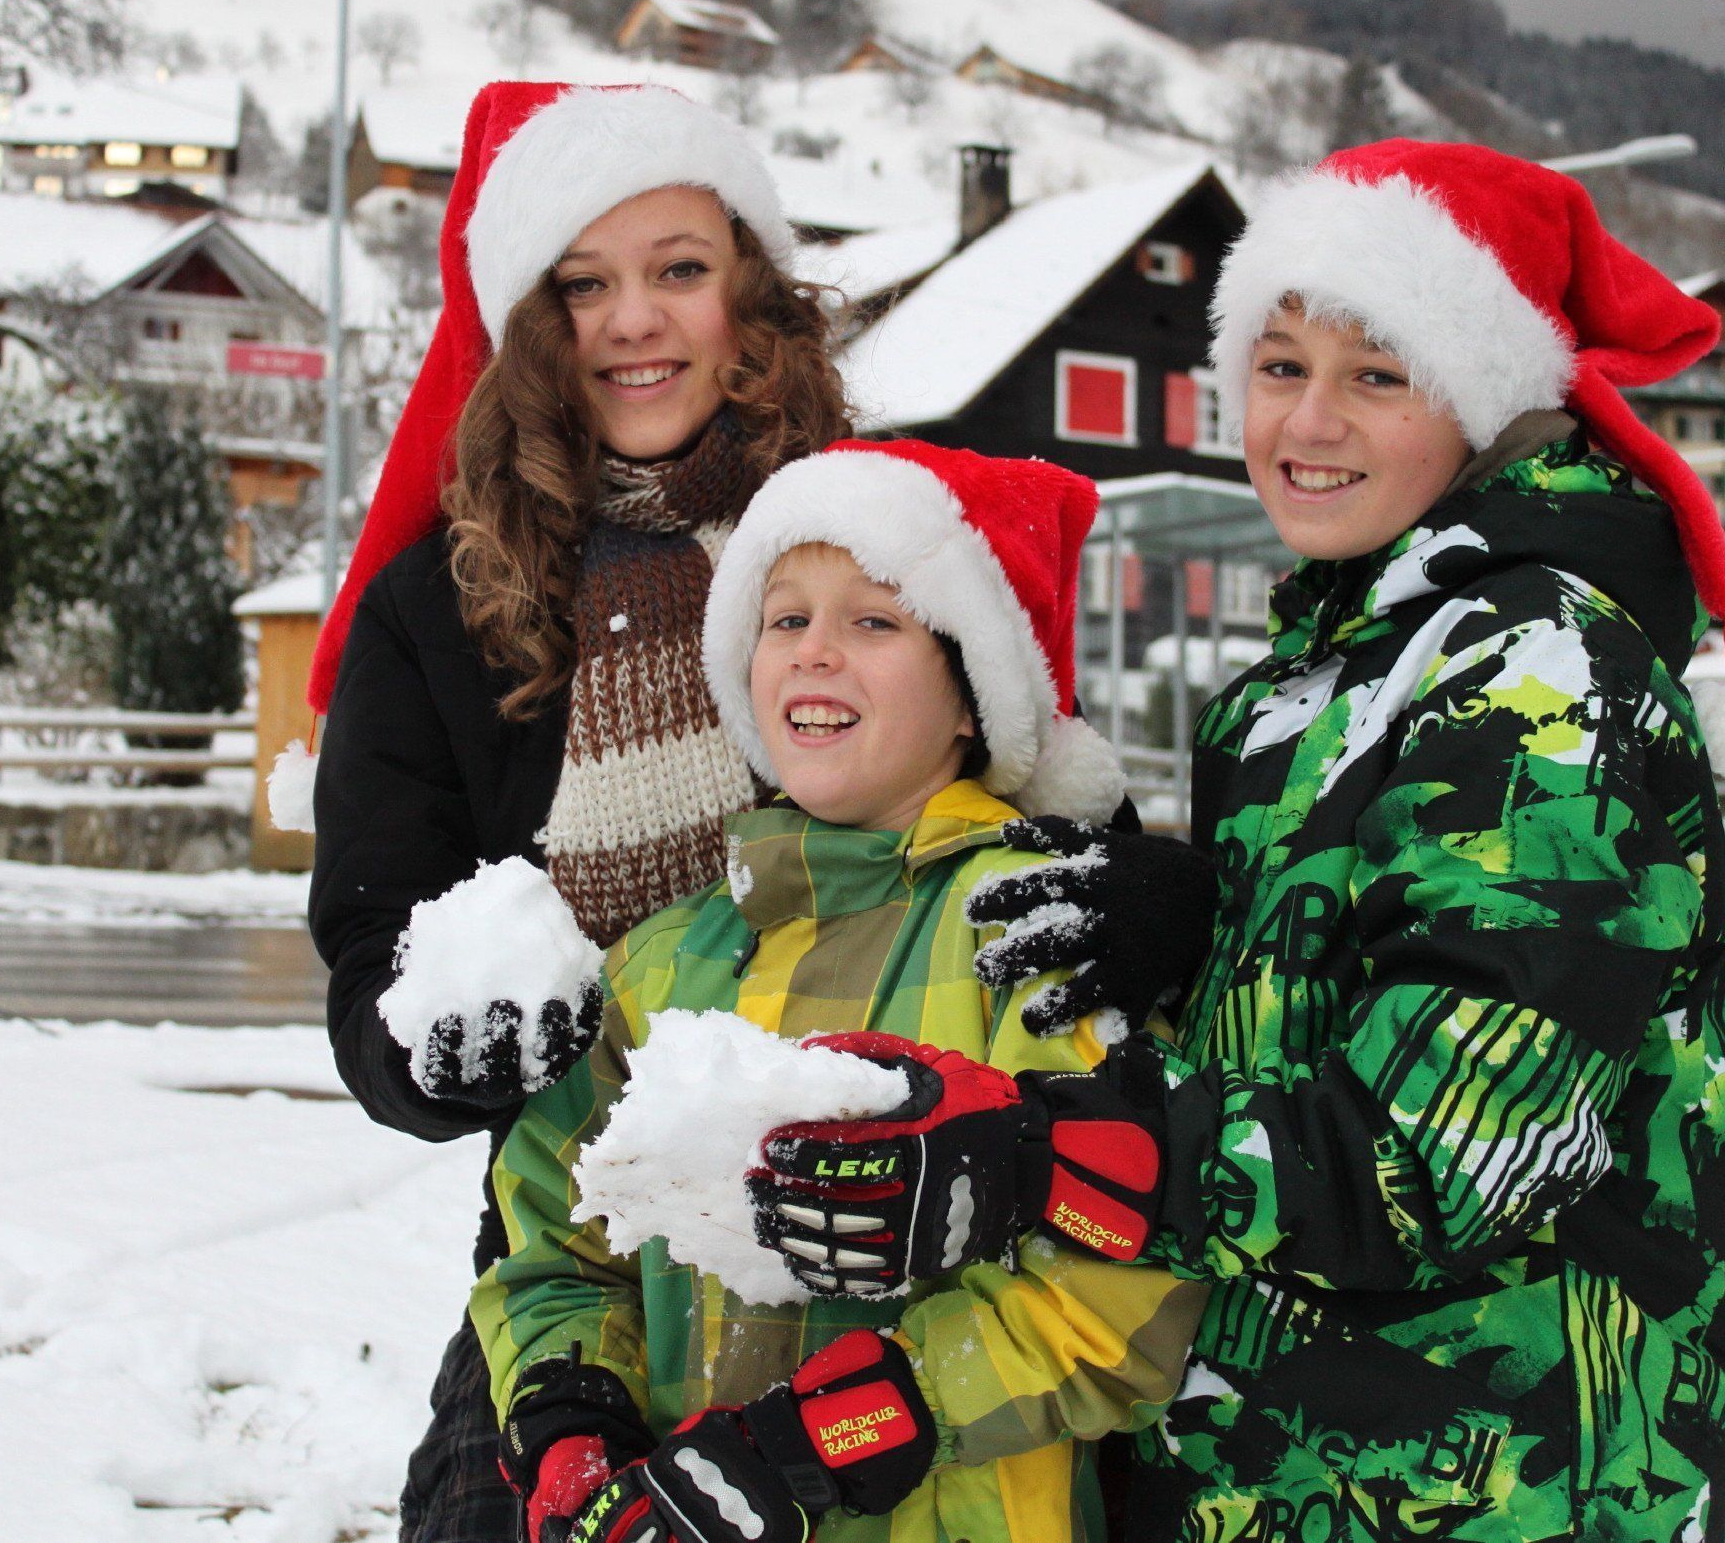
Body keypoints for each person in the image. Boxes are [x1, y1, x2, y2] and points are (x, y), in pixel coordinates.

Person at [744, 141, 1725, 1542]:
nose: (1309, 420)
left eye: (1377, 375)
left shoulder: (1541, 673)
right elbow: (1320, 1014)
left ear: (1484, 396)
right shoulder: (1302, 686)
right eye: (1280, 366)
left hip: (1499, 1482)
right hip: (1289, 1460)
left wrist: (1041, 1155)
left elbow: (1453, 1153)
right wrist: (1200, 926)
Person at [473, 440, 1205, 1543]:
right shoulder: (662, 960)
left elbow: (1124, 1295)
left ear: (973, 697)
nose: (815, 650)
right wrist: (573, 1418)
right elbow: (552, 1240)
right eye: (785, 618)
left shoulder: (1041, 932)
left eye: (874, 621)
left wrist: (835, 1435)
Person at [303, 79, 843, 1543]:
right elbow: (372, 951)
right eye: (583, 284)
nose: (633, 321)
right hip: (574, 1272)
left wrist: (1132, 892)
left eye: (679, 268)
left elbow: (1027, 811)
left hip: (884, 1239)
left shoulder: (878, 538)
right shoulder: (438, 609)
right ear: (530, 324)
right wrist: (431, 1046)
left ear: (751, 293)